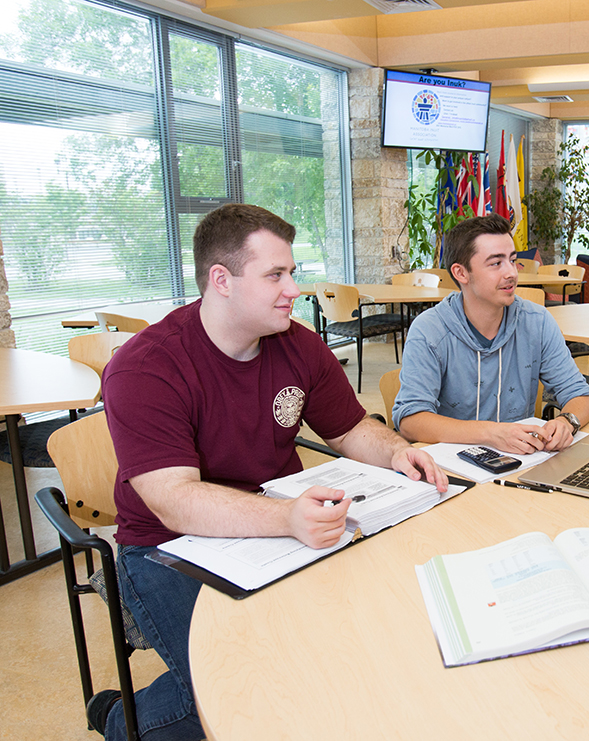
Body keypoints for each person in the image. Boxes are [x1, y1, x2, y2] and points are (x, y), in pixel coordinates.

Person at [93, 203, 447, 741]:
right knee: (236, 690)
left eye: (293, 273)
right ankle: (121, 721)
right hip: (168, 546)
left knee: (359, 639)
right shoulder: (148, 365)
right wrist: (286, 518)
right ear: (222, 280)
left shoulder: (295, 342)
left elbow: (351, 429)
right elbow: (174, 499)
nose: (293, 289)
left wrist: (396, 451)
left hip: (280, 522)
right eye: (276, 275)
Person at [393, 214, 589, 454]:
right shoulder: (429, 331)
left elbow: (580, 396)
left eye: (513, 260)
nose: (511, 273)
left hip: (520, 463)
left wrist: (566, 422)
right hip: (453, 468)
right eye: (496, 263)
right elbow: (411, 421)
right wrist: (492, 434)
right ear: (461, 273)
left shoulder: (537, 322)